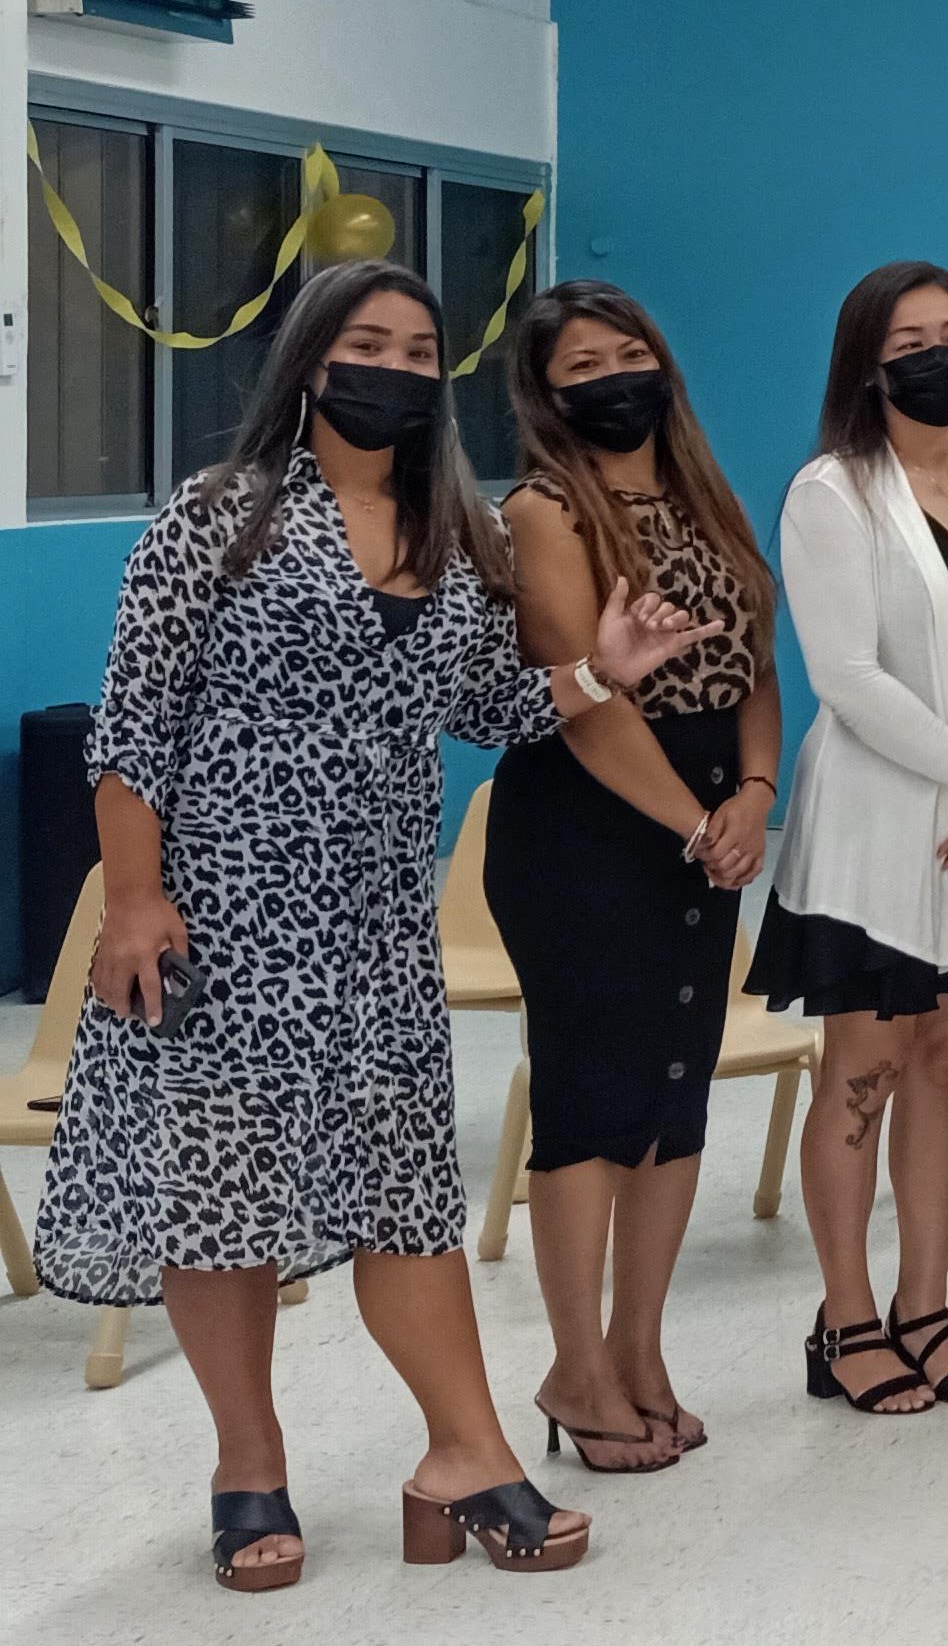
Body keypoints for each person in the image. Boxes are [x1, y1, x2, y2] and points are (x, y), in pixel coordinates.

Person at [44, 260, 714, 1586]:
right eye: (370, 344)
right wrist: (132, 898)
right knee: (223, 1204)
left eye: (421, 351)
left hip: (378, 934)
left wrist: (598, 671)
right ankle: (248, 1465)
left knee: (411, 1197)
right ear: (306, 359)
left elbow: (492, 711)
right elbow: (133, 725)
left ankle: (461, 1452)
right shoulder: (219, 518)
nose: (399, 369)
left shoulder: (458, 530)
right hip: (223, 927)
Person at [484, 279, 780, 1473]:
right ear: (548, 395)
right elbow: (582, 696)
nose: (615, 378)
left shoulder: (710, 496)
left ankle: (641, 1349)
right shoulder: (542, 508)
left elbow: (756, 659)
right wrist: (696, 821)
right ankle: (574, 1364)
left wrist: (754, 795)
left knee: (675, 1088)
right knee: (591, 1098)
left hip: (711, 805)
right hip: (590, 820)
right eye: (583, 367)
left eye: (631, 354)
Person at [751, 261, 948, 1416]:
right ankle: (844, 1317)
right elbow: (845, 677)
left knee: (942, 1066)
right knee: (866, 1071)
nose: (941, 354)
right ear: (868, 368)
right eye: (912, 339)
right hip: (889, 833)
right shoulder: (835, 491)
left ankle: (925, 1306)